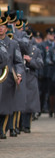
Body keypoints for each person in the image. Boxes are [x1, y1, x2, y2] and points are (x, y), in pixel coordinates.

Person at [0, 10, 24, 139]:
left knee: (5, 106)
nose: (0, 29)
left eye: (2, 26)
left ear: (6, 28)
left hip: (6, 78)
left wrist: (19, 74)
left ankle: (2, 130)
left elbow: (18, 62)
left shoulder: (13, 44)